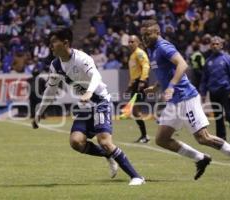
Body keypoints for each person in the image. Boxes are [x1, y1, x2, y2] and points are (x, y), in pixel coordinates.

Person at [141, 20, 230, 180]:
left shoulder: (163, 47)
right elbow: (167, 71)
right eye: (143, 35)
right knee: (162, 139)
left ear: (157, 33)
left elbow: (182, 64)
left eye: (148, 34)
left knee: (203, 138)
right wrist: (157, 86)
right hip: (174, 101)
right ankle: (201, 159)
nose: (144, 38)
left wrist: (171, 86)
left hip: (186, 97)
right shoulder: (151, 50)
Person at [31, 28, 145, 185]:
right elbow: (50, 91)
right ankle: (108, 156)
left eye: (54, 42)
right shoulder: (55, 65)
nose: (51, 46)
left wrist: (89, 92)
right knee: (76, 142)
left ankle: (137, 177)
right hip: (85, 107)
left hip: (100, 102)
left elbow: (96, 76)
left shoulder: (82, 58)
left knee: (105, 142)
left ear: (65, 43)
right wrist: (39, 113)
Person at [200, 36, 230, 147]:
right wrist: (203, 93)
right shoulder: (208, 61)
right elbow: (204, 79)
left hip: (226, 91)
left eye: (217, 44)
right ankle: (221, 139)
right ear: (210, 46)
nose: (215, 46)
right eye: (213, 44)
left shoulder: (228, 59)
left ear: (221, 45)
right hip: (214, 92)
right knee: (218, 117)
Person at [127, 35, 150, 143]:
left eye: (132, 41)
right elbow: (134, 72)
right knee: (135, 111)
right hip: (135, 83)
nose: (130, 43)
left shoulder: (139, 53)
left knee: (136, 110)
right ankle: (144, 135)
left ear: (138, 42)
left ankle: (145, 136)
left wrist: (142, 81)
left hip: (140, 83)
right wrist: (130, 85)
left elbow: (145, 66)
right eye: (129, 42)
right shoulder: (132, 55)